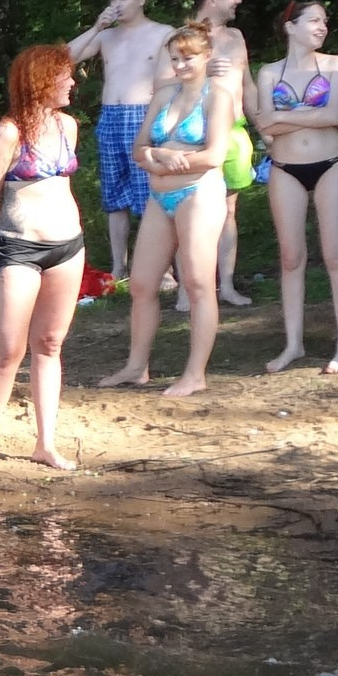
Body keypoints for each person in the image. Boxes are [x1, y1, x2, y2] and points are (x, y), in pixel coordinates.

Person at [0, 47, 85, 478]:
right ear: (41, 80)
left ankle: (45, 443)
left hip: (68, 246)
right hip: (18, 247)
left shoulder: (67, 125)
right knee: (8, 350)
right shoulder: (8, 133)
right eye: (64, 76)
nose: (72, 83)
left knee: (50, 345)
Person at [99, 27, 234, 398]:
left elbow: (215, 155)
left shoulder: (217, 96)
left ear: (206, 55)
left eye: (187, 57)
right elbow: (140, 148)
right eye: (174, 58)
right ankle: (136, 365)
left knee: (198, 283)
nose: (180, 65)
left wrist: (171, 159)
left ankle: (195, 373)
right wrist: (158, 157)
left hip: (199, 193)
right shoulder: (163, 94)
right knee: (141, 283)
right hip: (160, 196)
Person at [250, 1, 338, 374]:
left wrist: (282, 115)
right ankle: (293, 343)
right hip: (285, 168)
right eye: (314, 20)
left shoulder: (334, 65)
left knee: (334, 255)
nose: (322, 26)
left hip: (331, 166)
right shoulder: (268, 72)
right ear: (290, 27)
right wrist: (311, 120)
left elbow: (335, 113)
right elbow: (266, 127)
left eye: (325, 21)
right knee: (291, 257)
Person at [67, 0, 174, 280]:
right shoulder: (107, 37)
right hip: (111, 116)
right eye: (113, 0)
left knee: (151, 193)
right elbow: (65, 57)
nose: (117, 5)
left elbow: (172, 79)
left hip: (145, 114)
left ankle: (163, 269)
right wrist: (96, 28)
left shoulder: (163, 33)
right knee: (114, 196)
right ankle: (119, 266)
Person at [178, 0, 255, 310]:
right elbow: (164, 86)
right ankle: (188, 290)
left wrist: (264, 127)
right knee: (189, 210)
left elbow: (248, 86)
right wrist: (201, 72)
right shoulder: (182, 38)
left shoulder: (237, 37)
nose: (238, 0)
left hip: (234, 131)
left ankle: (225, 285)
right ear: (212, 0)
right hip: (195, 131)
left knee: (228, 211)